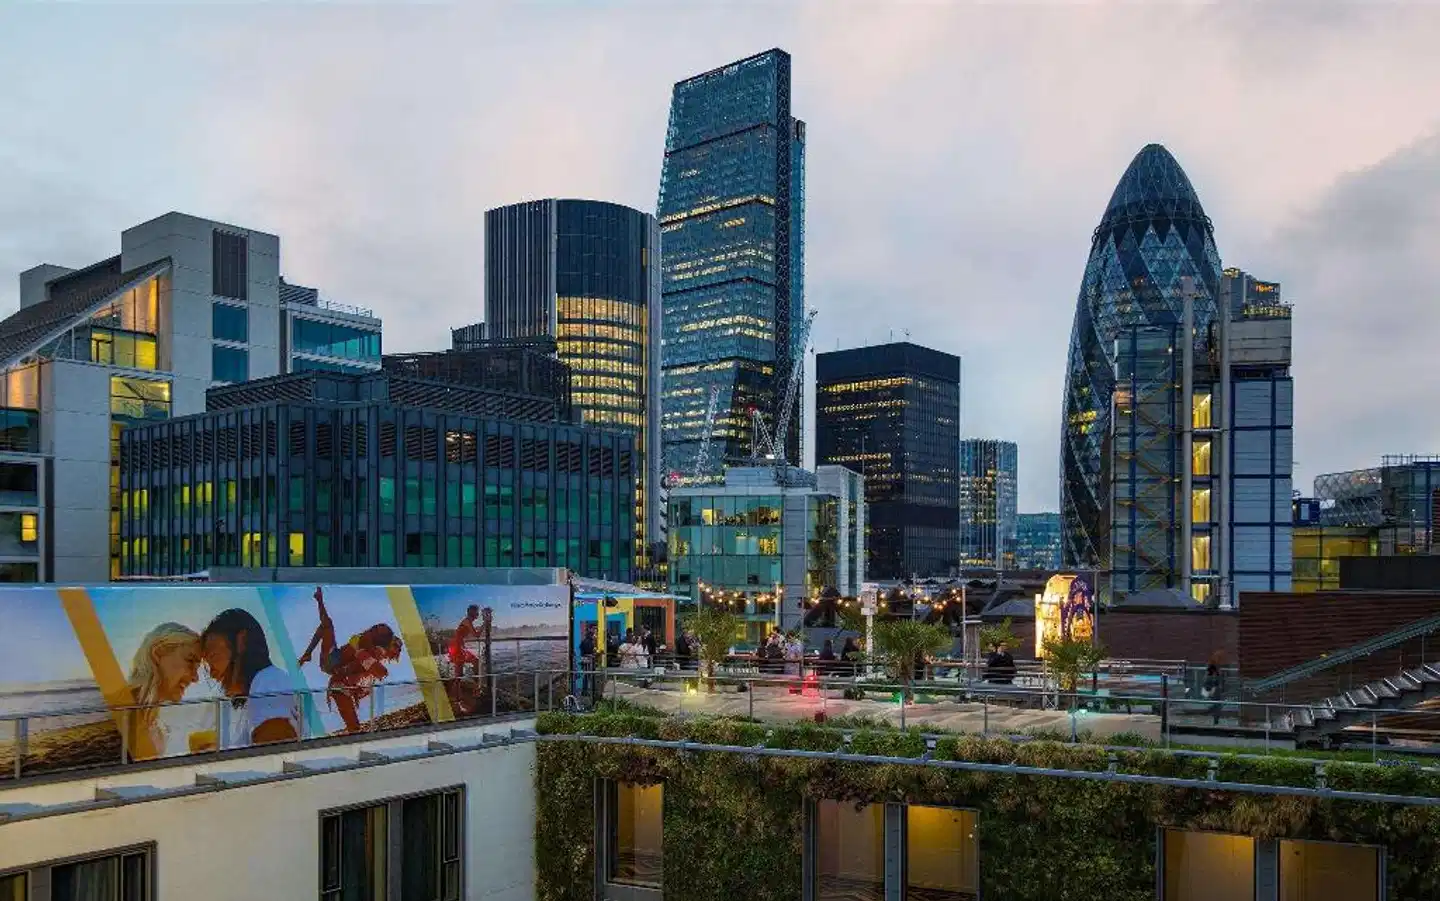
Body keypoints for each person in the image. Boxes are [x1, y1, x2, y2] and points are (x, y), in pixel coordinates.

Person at [297, 587, 405, 733]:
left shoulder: (373, 652)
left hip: (341, 673)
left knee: (327, 626)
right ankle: (308, 653)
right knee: (327, 625)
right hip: (332, 661)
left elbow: (377, 671)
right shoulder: (371, 647)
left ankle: (307, 654)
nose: (388, 655)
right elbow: (375, 670)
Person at [200, 607, 301, 749]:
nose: (212, 674)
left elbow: (273, 759)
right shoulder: (257, 690)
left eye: (214, 657)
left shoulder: (267, 683)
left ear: (241, 641)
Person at [125, 622, 201, 759]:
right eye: (190, 661)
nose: (195, 678)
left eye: (198, 667)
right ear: (157, 653)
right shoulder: (120, 714)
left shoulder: (157, 730)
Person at [448, 605, 482, 678]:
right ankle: (458, 688)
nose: (478, 614)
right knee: (459, 675)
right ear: (472, 612)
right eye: (477, 612)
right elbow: (476, 635)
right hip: (457, 647)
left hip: (459, 646)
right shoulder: (467, 621)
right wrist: (484, 624)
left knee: (476, 662)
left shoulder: (468, 621)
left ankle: (476, 684)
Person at [1203, 654, 1226, 725]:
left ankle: (1214, 716)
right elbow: (1211, 680)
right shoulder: (1213, 669)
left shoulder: (1213, 669)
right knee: (1217, 705)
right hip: (1214, 689)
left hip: (1215, 689)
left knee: (1217, 704)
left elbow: (1208, 679)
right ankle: (1215, 718)